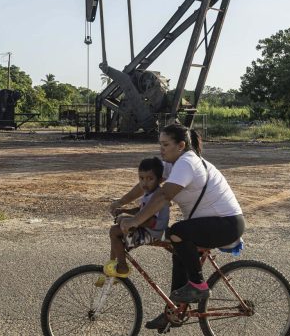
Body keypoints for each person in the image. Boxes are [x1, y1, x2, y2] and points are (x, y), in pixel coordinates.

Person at [110, 123, 245, 331]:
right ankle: (173, 311)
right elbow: (148, 184)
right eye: (160, 144)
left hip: (226, 224)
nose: (161, 149)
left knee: (177, 232)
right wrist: (121, 202)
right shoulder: (174, 163)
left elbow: (164, 195)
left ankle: (199, 285)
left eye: (165, 144)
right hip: (214, 223)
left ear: (181, 145)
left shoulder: (187, 163)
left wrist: (135, 221)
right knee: (178, 250)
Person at [98, 157, 171, 286]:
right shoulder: (149, 193)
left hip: (154, 233)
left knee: (115, 231)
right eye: (141, 178)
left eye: (150, 178)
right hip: (148, 229)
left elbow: (152, 221)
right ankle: (113, 265)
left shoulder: (158, 195)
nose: (145, 183)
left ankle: (122, 267)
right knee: (117, 231)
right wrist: (124, 211)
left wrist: (130, 220)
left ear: (160, 180)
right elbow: (141, 211)